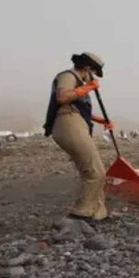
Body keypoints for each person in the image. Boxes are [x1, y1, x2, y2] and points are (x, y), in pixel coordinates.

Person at [43, 52, 114, 222]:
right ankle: (81, 212)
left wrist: (101, 120)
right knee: (95, 171)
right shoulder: (68, 76)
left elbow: (80, 108)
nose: (93, 77)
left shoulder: (79, 83)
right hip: (67, 123)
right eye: (94, 72)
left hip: (76, 122)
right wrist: (89, 87)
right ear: (88, 68)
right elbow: (62, 98)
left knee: (92, 169)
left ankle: (98, 212)